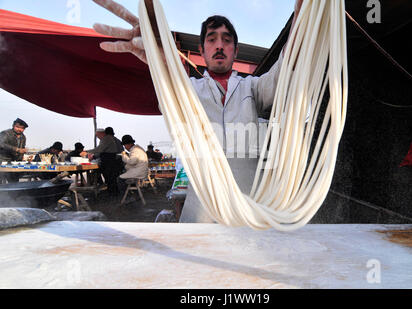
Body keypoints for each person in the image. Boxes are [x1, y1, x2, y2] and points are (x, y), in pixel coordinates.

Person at [93, 0, 303, 222]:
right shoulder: (189, 90)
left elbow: (285, 71)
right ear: (201, 50)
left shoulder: (252, 87)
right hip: (201, 211)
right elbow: (170, 88)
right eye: (212, 39)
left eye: (227, 40)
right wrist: (159, 55)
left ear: (236, 50)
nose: (219, 45)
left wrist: (301, 24)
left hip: (250, 210)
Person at [87, 127, 124, 196]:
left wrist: (87, 152)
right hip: (116, 161)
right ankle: (112, 191)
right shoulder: (115, 139)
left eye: (97, 135)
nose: (97, 137)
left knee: (109, 177)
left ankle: (112, 193)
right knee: (111, 177)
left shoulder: (107, 138)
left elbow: (99, 149)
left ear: (103, 133)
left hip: (110, 161)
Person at [0, 118, 28, 183]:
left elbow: (22, 148)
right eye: (17, 127)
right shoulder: (5, 133)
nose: (19, 129)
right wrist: (16, 149)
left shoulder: (23, 137)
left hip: (14, 162)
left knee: (14, 183)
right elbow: (1, 144)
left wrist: (22, 156)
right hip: (2, 161)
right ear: (13, 126)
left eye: (22, 128)